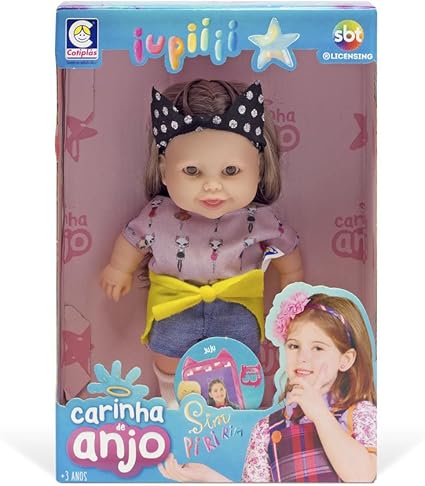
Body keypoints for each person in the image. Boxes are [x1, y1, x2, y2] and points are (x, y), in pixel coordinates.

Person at [100, 79, 303, 407]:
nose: (212, 186)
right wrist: (118, 268)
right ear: (164, 171)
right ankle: (174, 405)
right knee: (169, 356)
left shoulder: (260, 219)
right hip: (175, 306)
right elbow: (133, 239)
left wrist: (292, 286)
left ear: (259, 168)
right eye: (192, 171)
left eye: (231, 170)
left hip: (236, 308)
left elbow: (287, 251)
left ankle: (236, 415)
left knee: (240, 362)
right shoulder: (157, 214)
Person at [158, 292, 377, 482]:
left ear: (345, 360)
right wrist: (210, 478)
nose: (303, 357)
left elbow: (362, 476)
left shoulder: (360, 414)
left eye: (318, 348)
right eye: (294, 346)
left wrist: (319, 413)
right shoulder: (266, 429)